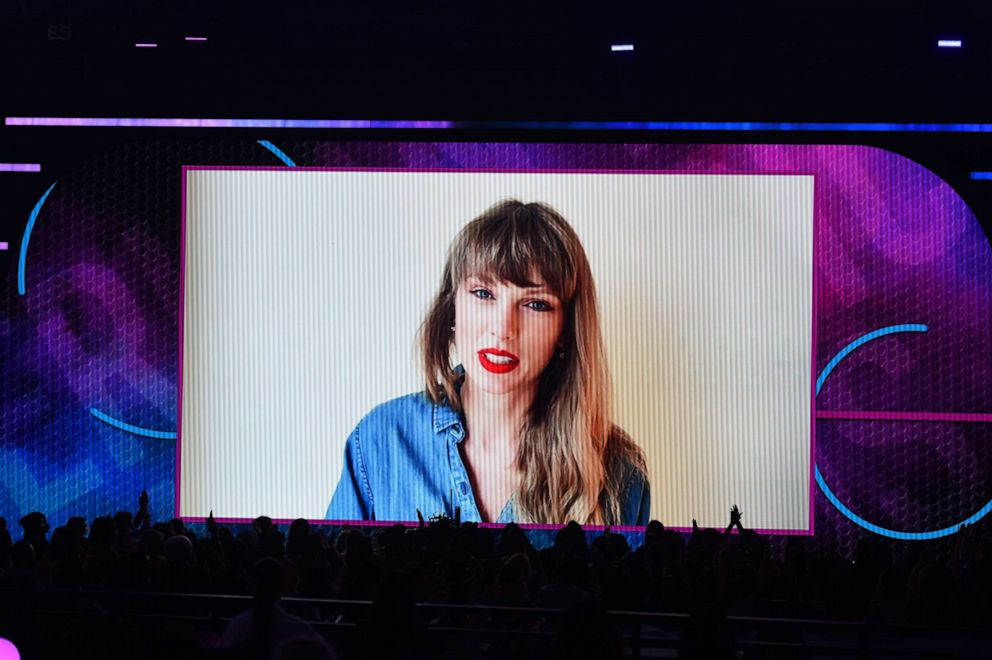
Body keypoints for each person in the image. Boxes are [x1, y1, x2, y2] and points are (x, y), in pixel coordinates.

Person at [326, 200, 649, 525]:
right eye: (483, 294)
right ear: (452, 308)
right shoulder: (379, 440)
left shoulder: (621, 472)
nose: (503, 329)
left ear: (565, 330)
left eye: (536, 304)